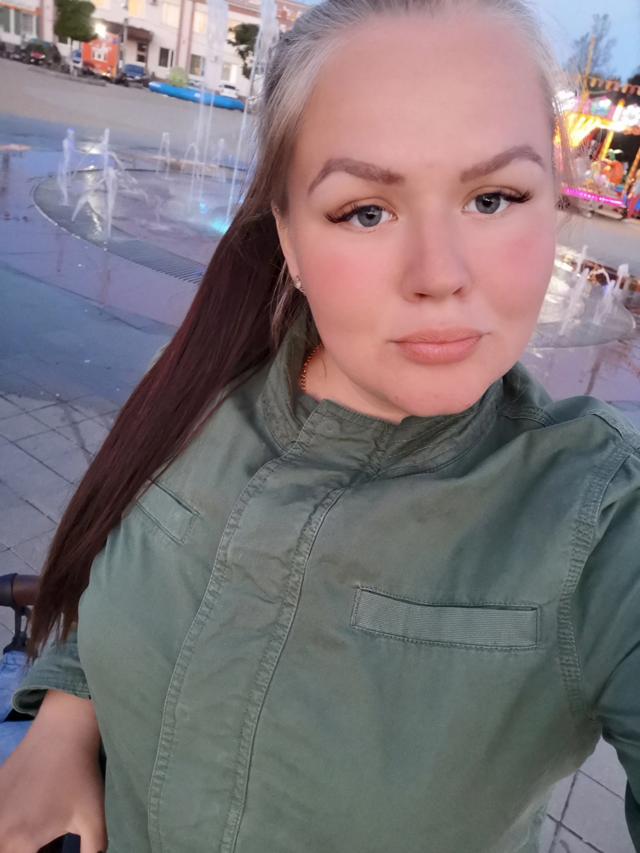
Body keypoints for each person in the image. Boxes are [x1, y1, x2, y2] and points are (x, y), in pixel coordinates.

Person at [2, 1, 640, 851]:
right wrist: (61, 721)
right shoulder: (194, 391)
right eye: (365, 211)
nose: (439, 274)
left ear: (553, 205)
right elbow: (118, 578)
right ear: (291, 240)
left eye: (493, 198)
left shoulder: (601, 519)